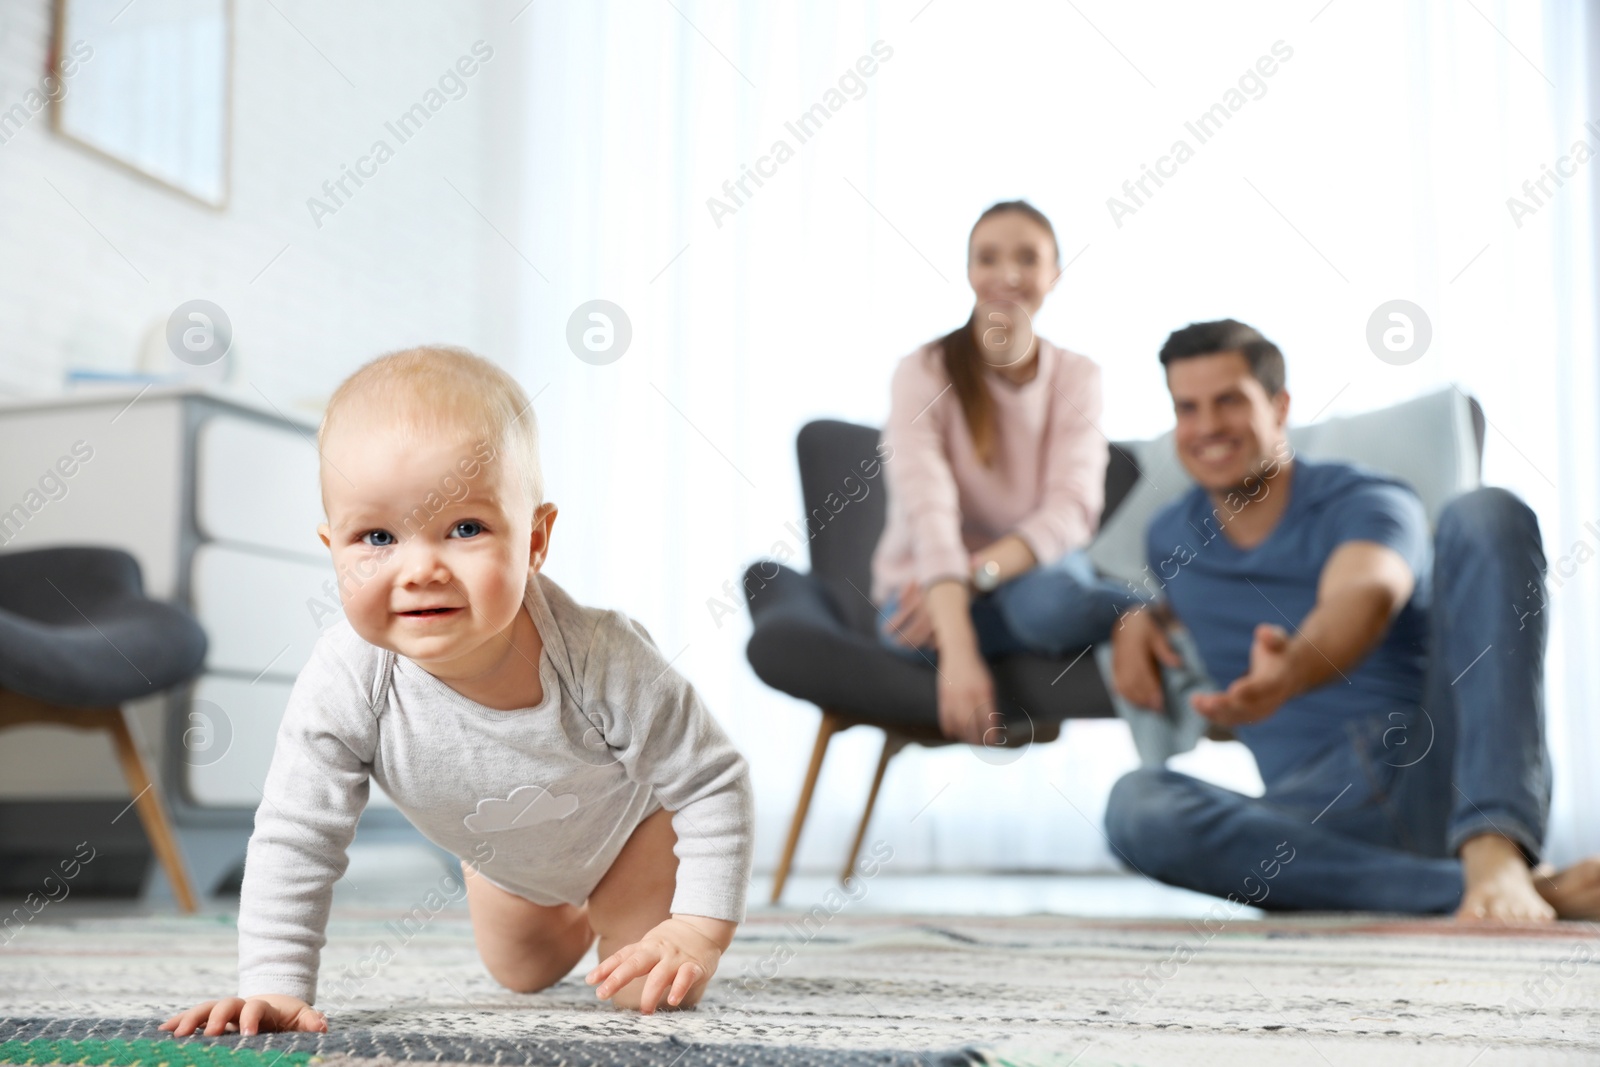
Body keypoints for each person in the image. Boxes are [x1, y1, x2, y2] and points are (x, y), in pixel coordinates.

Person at [161, 347, 754, 1036]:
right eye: (377, 536)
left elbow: (714, 779)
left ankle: (618, 906)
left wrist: (698, 929)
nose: (419, 568)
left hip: (633, 830)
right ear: (333, 549)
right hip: (508, 856)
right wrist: (275, 984)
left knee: (644, 990)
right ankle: (573, 913)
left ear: (534, 539)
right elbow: (297, 832)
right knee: (521, 972)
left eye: (465, 528)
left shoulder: (599, 656)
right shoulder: (347, 679)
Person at [1104, 319, 1600, 920]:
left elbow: (1364, 593)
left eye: (1229, 401)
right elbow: (1089, 579)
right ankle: (1492, 894)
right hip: (1312, 817)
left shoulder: (1367, 499)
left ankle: (1493, 851)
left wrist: (1290, 672)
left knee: (1487, 512)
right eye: (1188, 407)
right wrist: (1131, 615)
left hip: (1432, 771)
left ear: (1280, 406)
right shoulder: (1169, 539)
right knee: (1137, 805)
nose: (1207, 427)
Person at [871, 200, 1138, 745]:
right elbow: (930, 515)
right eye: (988, 258)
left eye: (1028, 259)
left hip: (1028, 574)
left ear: (1054, 275)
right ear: (969, 271)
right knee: (906, 634)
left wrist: (976, 576)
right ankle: (1096, 624)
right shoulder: (921, 372)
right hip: (931, 581)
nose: (1008, 275)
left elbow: (1072, 509)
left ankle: (1154, 615)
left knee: (1045, 606)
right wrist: (960, 656)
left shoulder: (1078, 375)